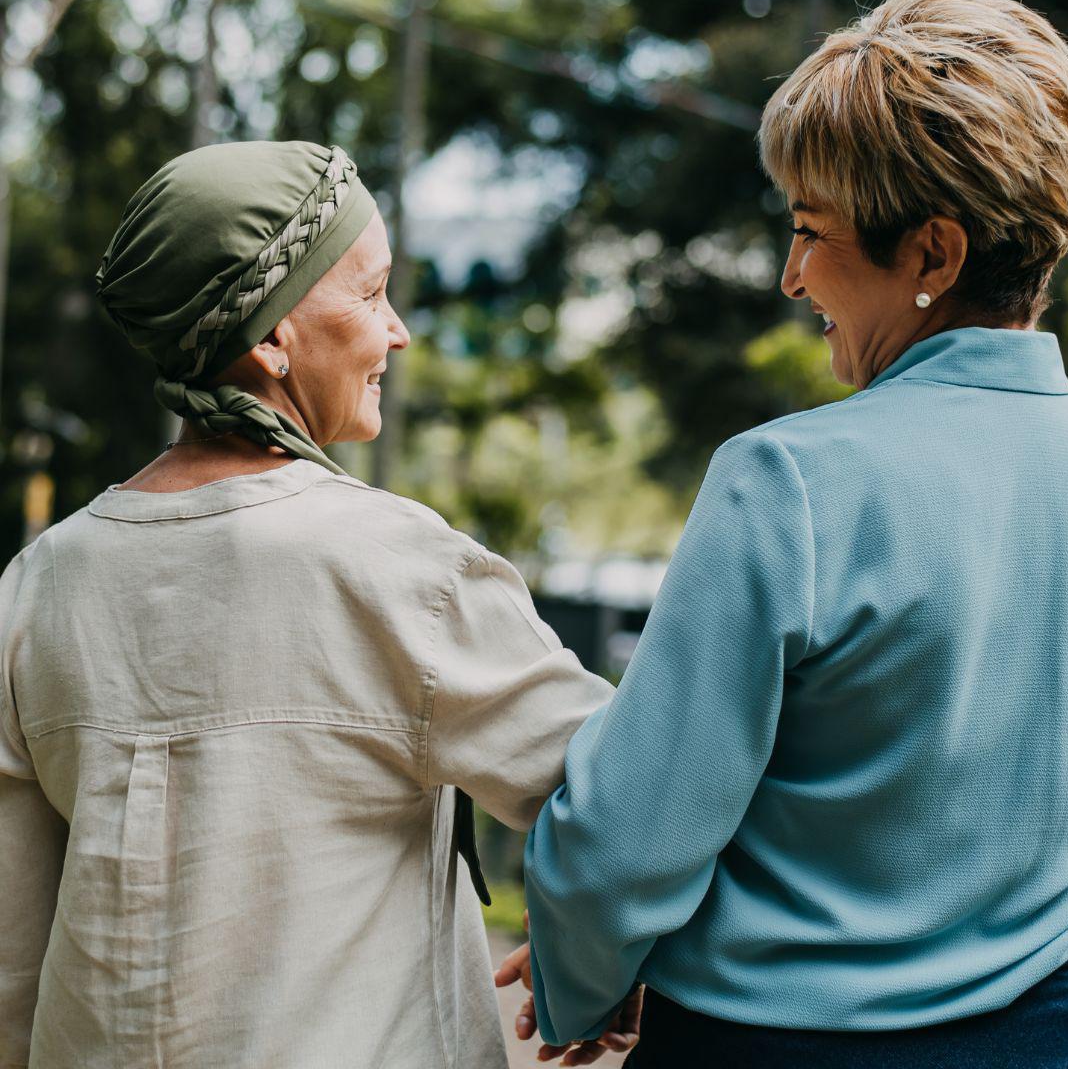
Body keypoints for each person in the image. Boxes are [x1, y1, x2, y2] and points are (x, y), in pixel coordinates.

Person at [508, 0, 1068, 1067]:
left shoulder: (788, 483)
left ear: (933, 256)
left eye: (811, 233)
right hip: (1065, 1041)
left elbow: (630, 841)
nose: (791, 277)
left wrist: (577, 976)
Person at [0, 140, 624, 1068]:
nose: (398, 331)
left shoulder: (39, 583)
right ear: (272, 337)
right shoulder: (402, 567)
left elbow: (14, 968)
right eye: (371, 295)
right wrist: (602, 949)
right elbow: (629, 786)